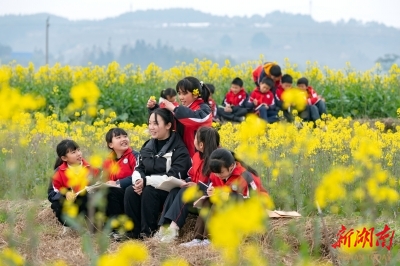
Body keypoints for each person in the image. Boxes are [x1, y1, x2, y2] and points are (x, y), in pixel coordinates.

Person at [124, 108, 192, 239]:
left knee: (149, 191)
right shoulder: (148, 146)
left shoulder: (179, 149)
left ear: (168, 125)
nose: (151, 127)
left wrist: (146, 181)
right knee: (130, 191)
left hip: (168, 189)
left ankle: (147, 233)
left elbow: (172, 177)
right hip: (147, 184)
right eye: (149, 123)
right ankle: (133, 233)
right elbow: (139, 168)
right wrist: (138, 182)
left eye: (155, 123)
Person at [179, 148, 268, 248]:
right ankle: (198, 238)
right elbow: (213, 186)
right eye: (215, 173)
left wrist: (227, 196)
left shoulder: (246, 176)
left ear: (231, 167)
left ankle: (210, 239)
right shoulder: (216, 173)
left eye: (220, 173)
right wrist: (208, 191)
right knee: (208, 201)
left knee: (218, 202)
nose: (217, 175)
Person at [156, 127, 220, 243]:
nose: (193, 140)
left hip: (205, 200)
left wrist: (196, 187)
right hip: (195, 195)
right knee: (175, 190)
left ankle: (173, 229)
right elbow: (191, 174)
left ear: (201, 145)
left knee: (186, 192)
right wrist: (185, 181)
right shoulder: (196, 156)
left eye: (195, 138)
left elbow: (215, 186)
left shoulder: (217, 162)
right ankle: (163, 228)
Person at [47, 139, 100, 227]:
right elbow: (51, 194)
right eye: (73, 152)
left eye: (79, 150)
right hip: (70, 204)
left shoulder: (92, 168)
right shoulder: (57, 173)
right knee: (57, 204)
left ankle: (92, 224)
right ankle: (69, 224)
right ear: (64, 158)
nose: (79, 154)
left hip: (88, 204)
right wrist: (65, 194)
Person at [161, 76, 213, 157]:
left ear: (195, 94)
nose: (181, 97)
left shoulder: (204, 109)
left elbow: (198, 119)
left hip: (199, 157)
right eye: (179, 93)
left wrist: (174, 109)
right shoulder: (183, 109)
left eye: (184, 93)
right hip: (185, 155)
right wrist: (153, 108)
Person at [102, 128, 139, 239]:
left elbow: (138, 175)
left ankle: (119, 228)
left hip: (132, 192)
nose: (123, 139)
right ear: (110, 144)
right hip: (116, 193)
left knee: (111, 192)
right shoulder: (108, 161)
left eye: (125, 136)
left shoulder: (134, 156)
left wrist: (118, 183)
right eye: (118, 137)